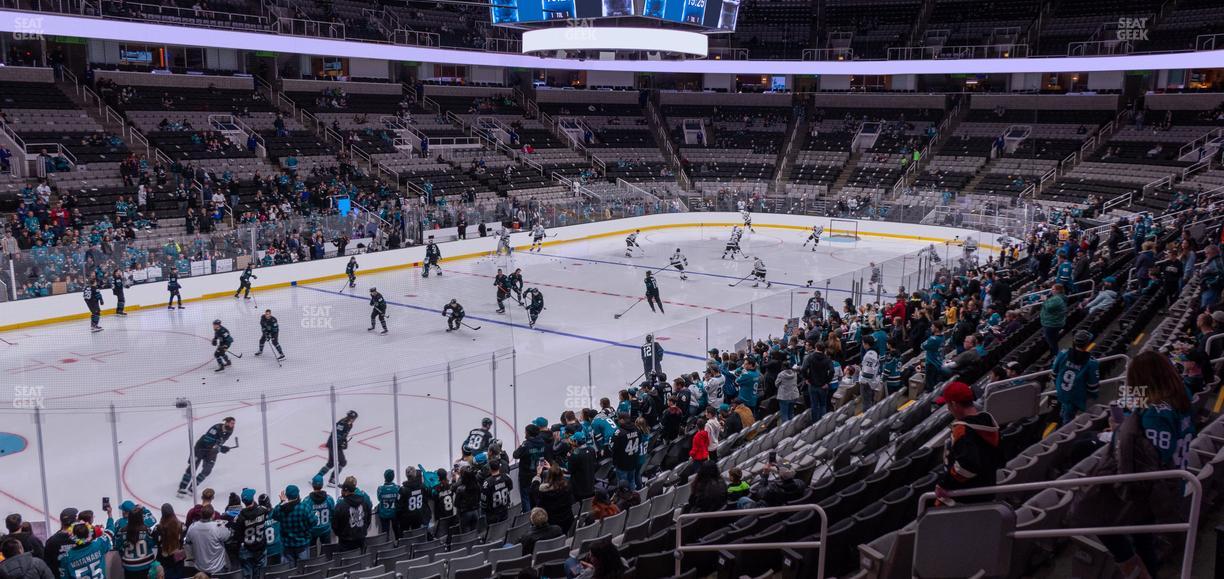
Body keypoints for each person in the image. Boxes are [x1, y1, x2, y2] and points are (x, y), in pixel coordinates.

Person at [933, 382, 1001, 506]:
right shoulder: (988, 423)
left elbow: (967, 466)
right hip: (985, 491)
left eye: (948, 405)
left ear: (954, 404)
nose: (948, 409)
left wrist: (944, 484)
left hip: (964, 499)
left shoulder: (962, 430)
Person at [178, 417, 236, 496]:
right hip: (201, 448)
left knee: (207, 470)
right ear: (226, 422)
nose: (233, 425)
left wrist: (222, 448)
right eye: (232, 423)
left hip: (212, 452)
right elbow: (208, 441)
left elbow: (220, 442)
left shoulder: (230, 431)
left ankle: (192, 487)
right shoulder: (216, 428)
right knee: (193, 467)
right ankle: (182, 487)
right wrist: (220, 448)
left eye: (234, 423)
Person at [1052, 330, 1099, 425]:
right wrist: (1090, 396)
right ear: (1087, 344)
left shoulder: (1062, 354)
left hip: (1062, 391)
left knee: (1065, 410)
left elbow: (1054, 373)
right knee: (1067, 420)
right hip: (1076, 396)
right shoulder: (1091, 363)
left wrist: (1058, 386)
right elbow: (1093, 386)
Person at [230, 489, 267, 579]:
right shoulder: (263, 510)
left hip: (246, 549)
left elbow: (235, 535)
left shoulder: (239, 518)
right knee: (261, 575)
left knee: (247, 576)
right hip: (260, 548)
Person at [270, 486, 312, 564]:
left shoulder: (280, 509)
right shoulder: (304, 507)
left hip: (287, 545)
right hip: (302, 544)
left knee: (289, 570)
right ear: (297, 495)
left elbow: (273, 515)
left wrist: (282, 502)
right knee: (303, 569)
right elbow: (313, 521)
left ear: (286, 496)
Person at [531, 462, 575, 534]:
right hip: (567, 522)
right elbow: (561, 477)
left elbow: (534, 488)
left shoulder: (544, 492)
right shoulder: (567, 487)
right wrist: (552, 469)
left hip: (551, 525)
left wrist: (538, 474)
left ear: (548, 476)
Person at [184, 505, 230, 576]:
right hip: (217, 568)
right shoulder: (217, 527)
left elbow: (187, 542)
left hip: (200, 568)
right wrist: (223, 526)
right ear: (212, 515)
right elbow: (227, 536)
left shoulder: (192, 527)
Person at [318, 410, 357, 485]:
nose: (353, 420)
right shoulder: (342, 423)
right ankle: (332, 480)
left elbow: (343, 435)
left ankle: (317, 477)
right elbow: (336, 435)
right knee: (342, 462)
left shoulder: (349, 424)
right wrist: (341, 442)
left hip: (335, 444)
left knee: (331, 463)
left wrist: (344, 441)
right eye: (353, 418)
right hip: (334, 444)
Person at [332, 479, 371, 552]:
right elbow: (368, 519)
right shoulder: (364, 502)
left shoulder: (340, 505)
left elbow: (335, 525)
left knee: (348, 561)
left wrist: (341, 535)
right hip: (361, 539)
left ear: (346, 491)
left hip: (345, 542)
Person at [395, 467, 431, 534]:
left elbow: (398, 507)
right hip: (419, 517)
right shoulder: (422, 486)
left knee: (404, 535)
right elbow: (427, 496)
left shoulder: (403, 490)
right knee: (417, 535)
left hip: (406, 519)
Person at [1040, 283, 1068, 358]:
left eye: (1053, 289)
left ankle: (1056, 356)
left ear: (1058, 291)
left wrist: (1045, 300)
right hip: (1055, 322)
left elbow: (1049, 307)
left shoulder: (1057, 299)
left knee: (1051, 342)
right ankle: (1053, 354)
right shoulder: (1059, 297)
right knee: (1053, 340)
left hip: (1051, 324)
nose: (1051, 290)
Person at [374, 470, 399, 537]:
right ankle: (398, 543)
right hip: (394, 513)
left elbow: (379, 499)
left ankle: (387, 545)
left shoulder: (380, 489)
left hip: (384, 514)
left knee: (385, 533)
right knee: (397, 531)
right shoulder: (397, 488)